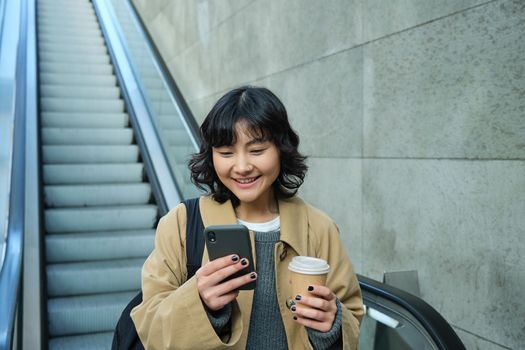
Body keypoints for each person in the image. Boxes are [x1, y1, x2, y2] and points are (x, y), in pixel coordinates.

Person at [131, 86, 364, 349]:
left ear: (281, 149)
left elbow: (352, 315)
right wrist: (199, 302)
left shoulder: (319, 227)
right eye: (227, 153)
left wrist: (331, 323)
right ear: (211, 155)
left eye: (257, 150)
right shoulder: (182, 223)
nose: (242, 167)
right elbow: (150, 327)